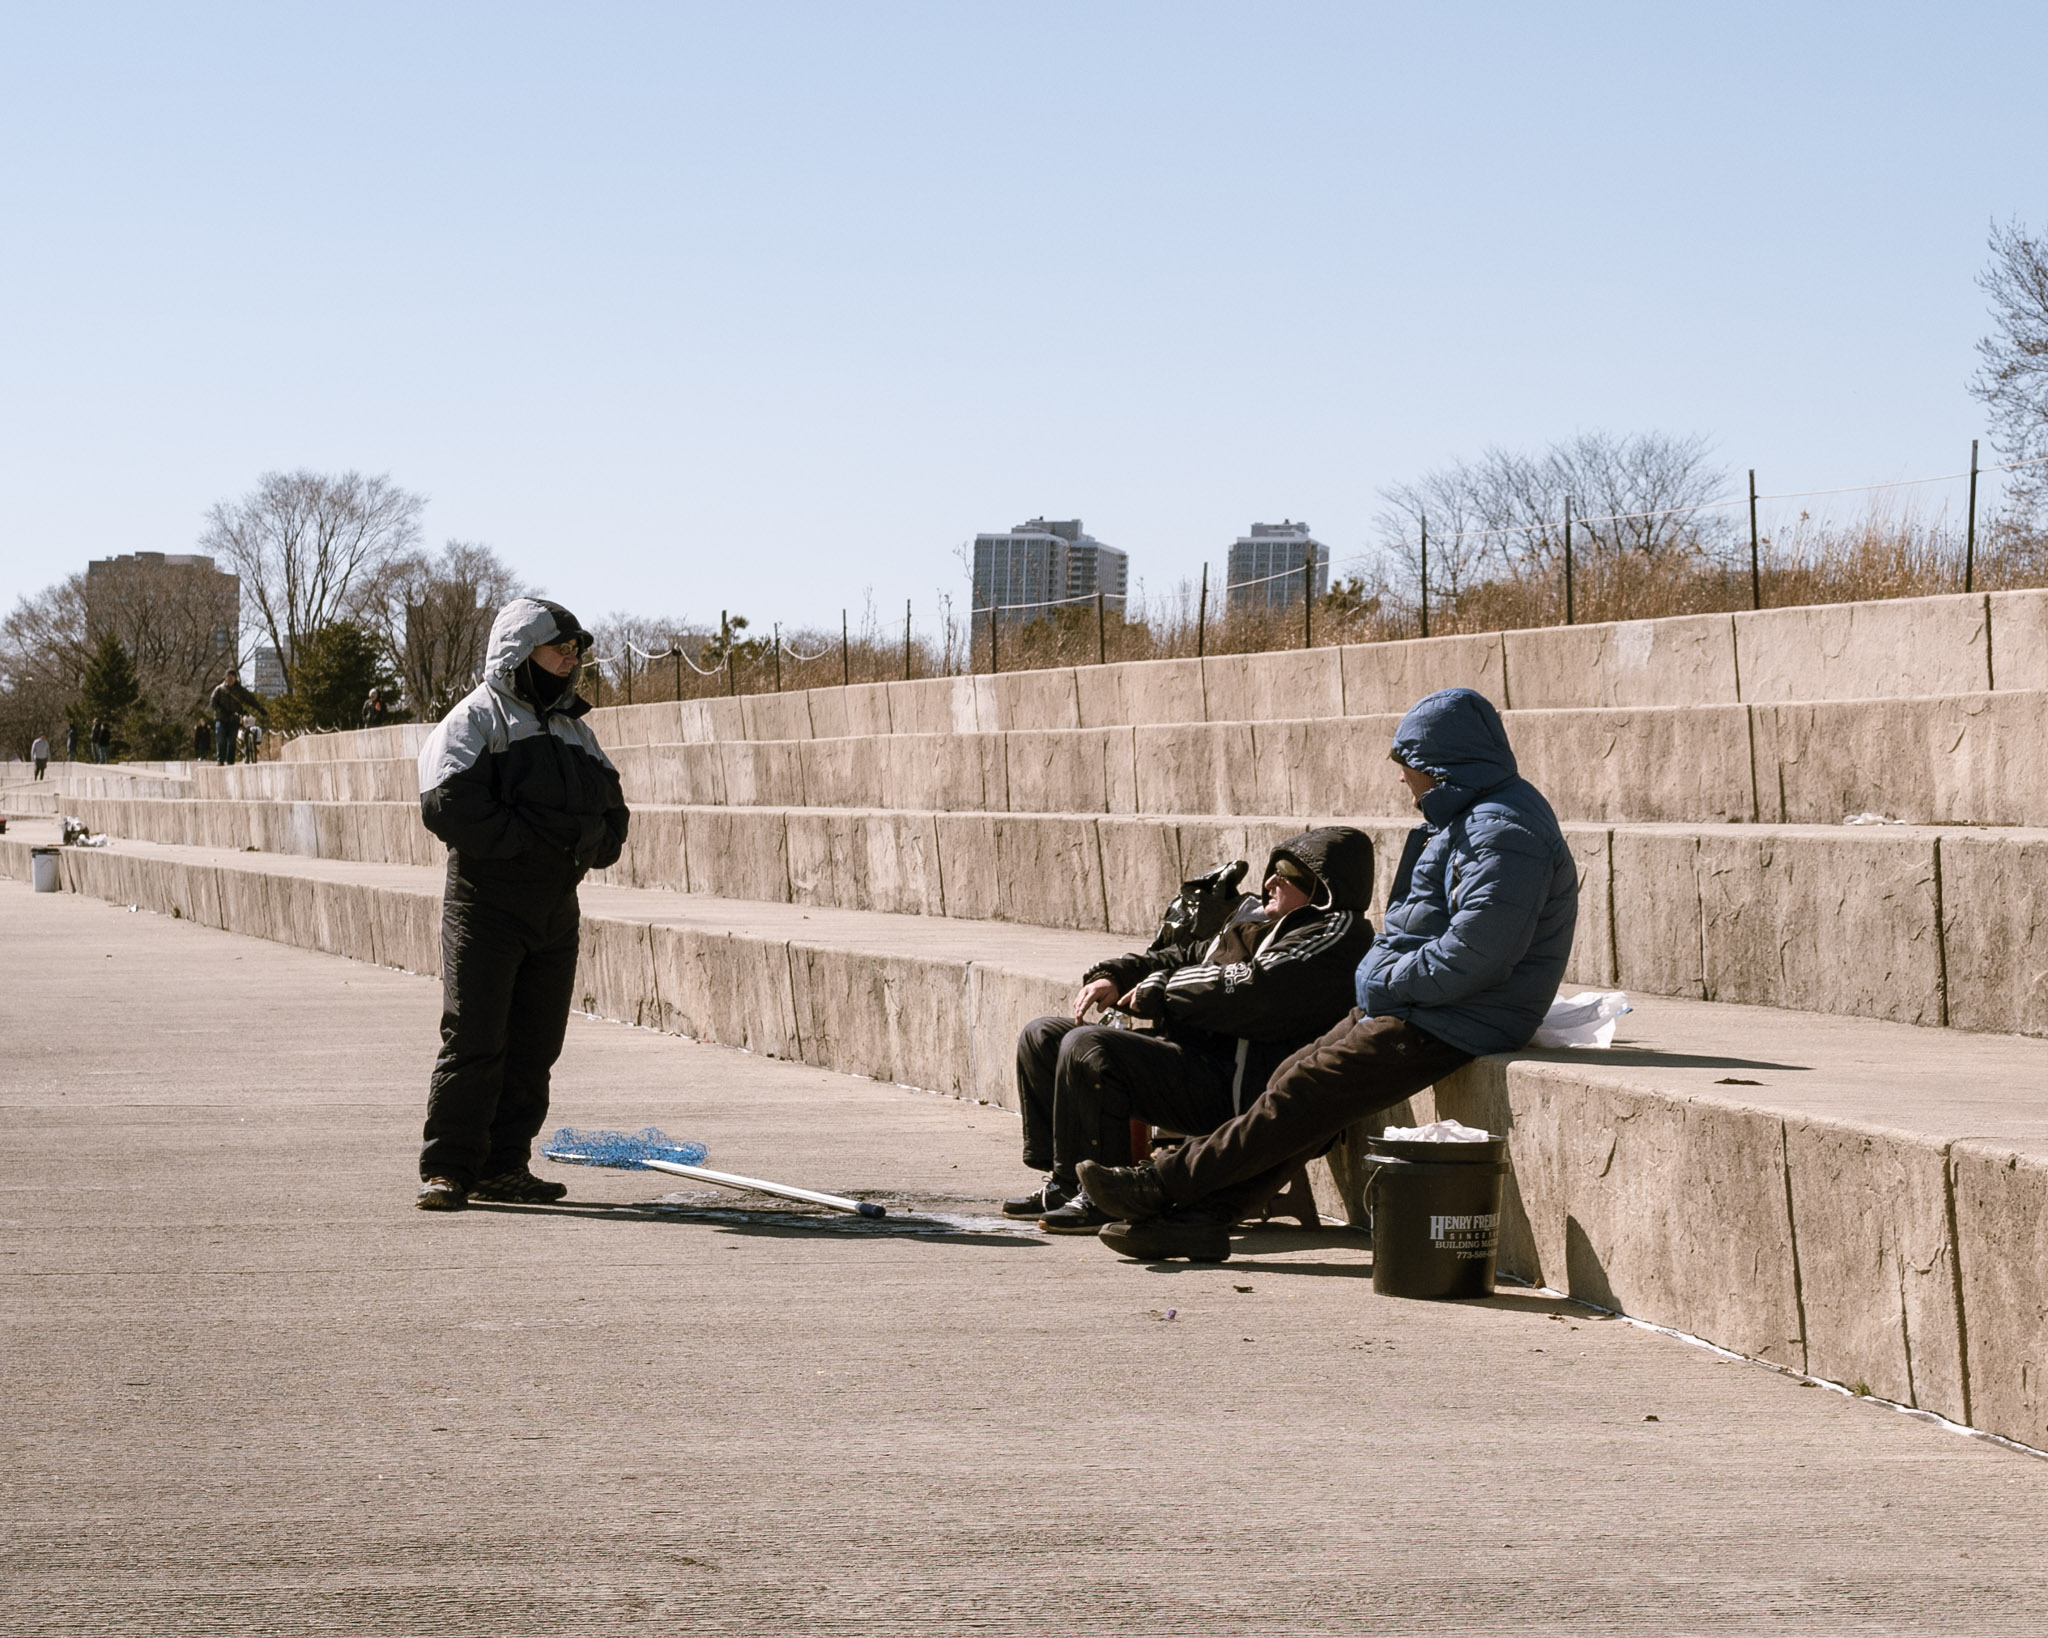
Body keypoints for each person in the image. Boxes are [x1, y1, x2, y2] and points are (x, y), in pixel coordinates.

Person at [1078, 688, 1580, 1263]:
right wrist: (1384, 978)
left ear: (1442, 767)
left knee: (1308, 1088)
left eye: (1407, 764)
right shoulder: (1471, 818)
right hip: (1428, 1002)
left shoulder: (1503, 832)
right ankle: (1200, 1219)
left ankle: (1163, 1185)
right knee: (1298, 1078)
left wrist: (1383, 980)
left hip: (1461, 1015)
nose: (1402, 780)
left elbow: (1476, 956)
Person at [1007, 827, 1375, 1234]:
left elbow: (1256, 987)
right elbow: (1188, 954)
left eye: (1284, 875)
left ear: (1322, 886)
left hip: (1245, 1090)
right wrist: (1118, 975)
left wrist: (1163, 990)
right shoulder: (1257, 923)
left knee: (1089, 1046)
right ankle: (1068, 1182)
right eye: (1271, 872)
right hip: (1200, 1064)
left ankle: (1106, 1199)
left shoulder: (1337, 932)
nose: (1269, 882)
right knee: (1043, 1037)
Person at [414, 598, 630, 1212]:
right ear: (519, 652)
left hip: (556, 910)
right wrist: (541, 841)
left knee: (537, 1046)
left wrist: (574, 845)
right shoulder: (473, 721)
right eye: (559, 648)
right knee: (475, 1039)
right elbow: (449, 808)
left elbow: (613, 820)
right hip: (485, 906)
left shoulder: (575, 729)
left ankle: (506, 1164)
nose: (571, 660)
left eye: (576, 651)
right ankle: (448, 1168)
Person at [209, 672, 263, 766]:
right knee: (221, 740)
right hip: (221, 719)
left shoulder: (240, 690)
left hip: (234, 719)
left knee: (232, 741)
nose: (230, 679)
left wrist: (259, 708)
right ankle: (220, 760)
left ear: (235, 678)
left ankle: (230, 761)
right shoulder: (219, 689)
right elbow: (212, 702)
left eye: (232, 677)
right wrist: (221, 710)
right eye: (228, 677)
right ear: (225, 677)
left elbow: (250, 699)